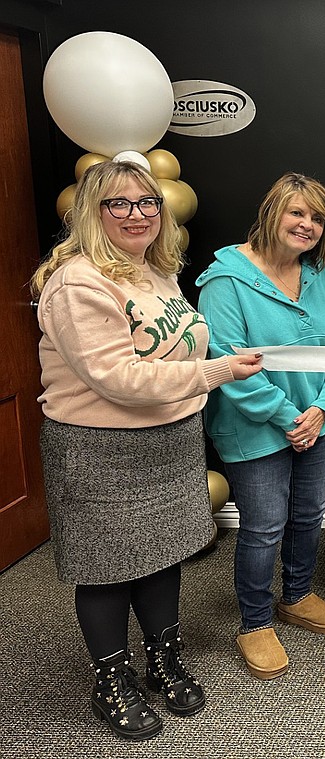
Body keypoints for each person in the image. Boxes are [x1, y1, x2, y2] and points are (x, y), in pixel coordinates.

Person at [32, 160, 263, 740]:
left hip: (170, 442)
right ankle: (110, 679)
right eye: (120, 204)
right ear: (92, 213)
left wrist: (206, 371)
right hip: (99, 449)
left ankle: (162, 660)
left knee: (163, 557)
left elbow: (173, 350)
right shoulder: (78, 282)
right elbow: (118, 377)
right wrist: (215, 373)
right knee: (107, 570)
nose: (138, 215)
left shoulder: (153, 272)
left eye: (148, 203)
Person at [197, 173, 325, 680]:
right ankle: (255, 622)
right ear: (272, 214)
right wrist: (291, 417)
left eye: (317, 218)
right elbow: (225, 362)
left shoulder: (320, 272)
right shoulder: (226, 280)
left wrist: (324, 407)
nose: (307, 225)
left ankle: (298, 594)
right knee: (264, 528)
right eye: (297, 213)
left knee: (308, 515)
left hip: (319, 421)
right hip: (256, 427)